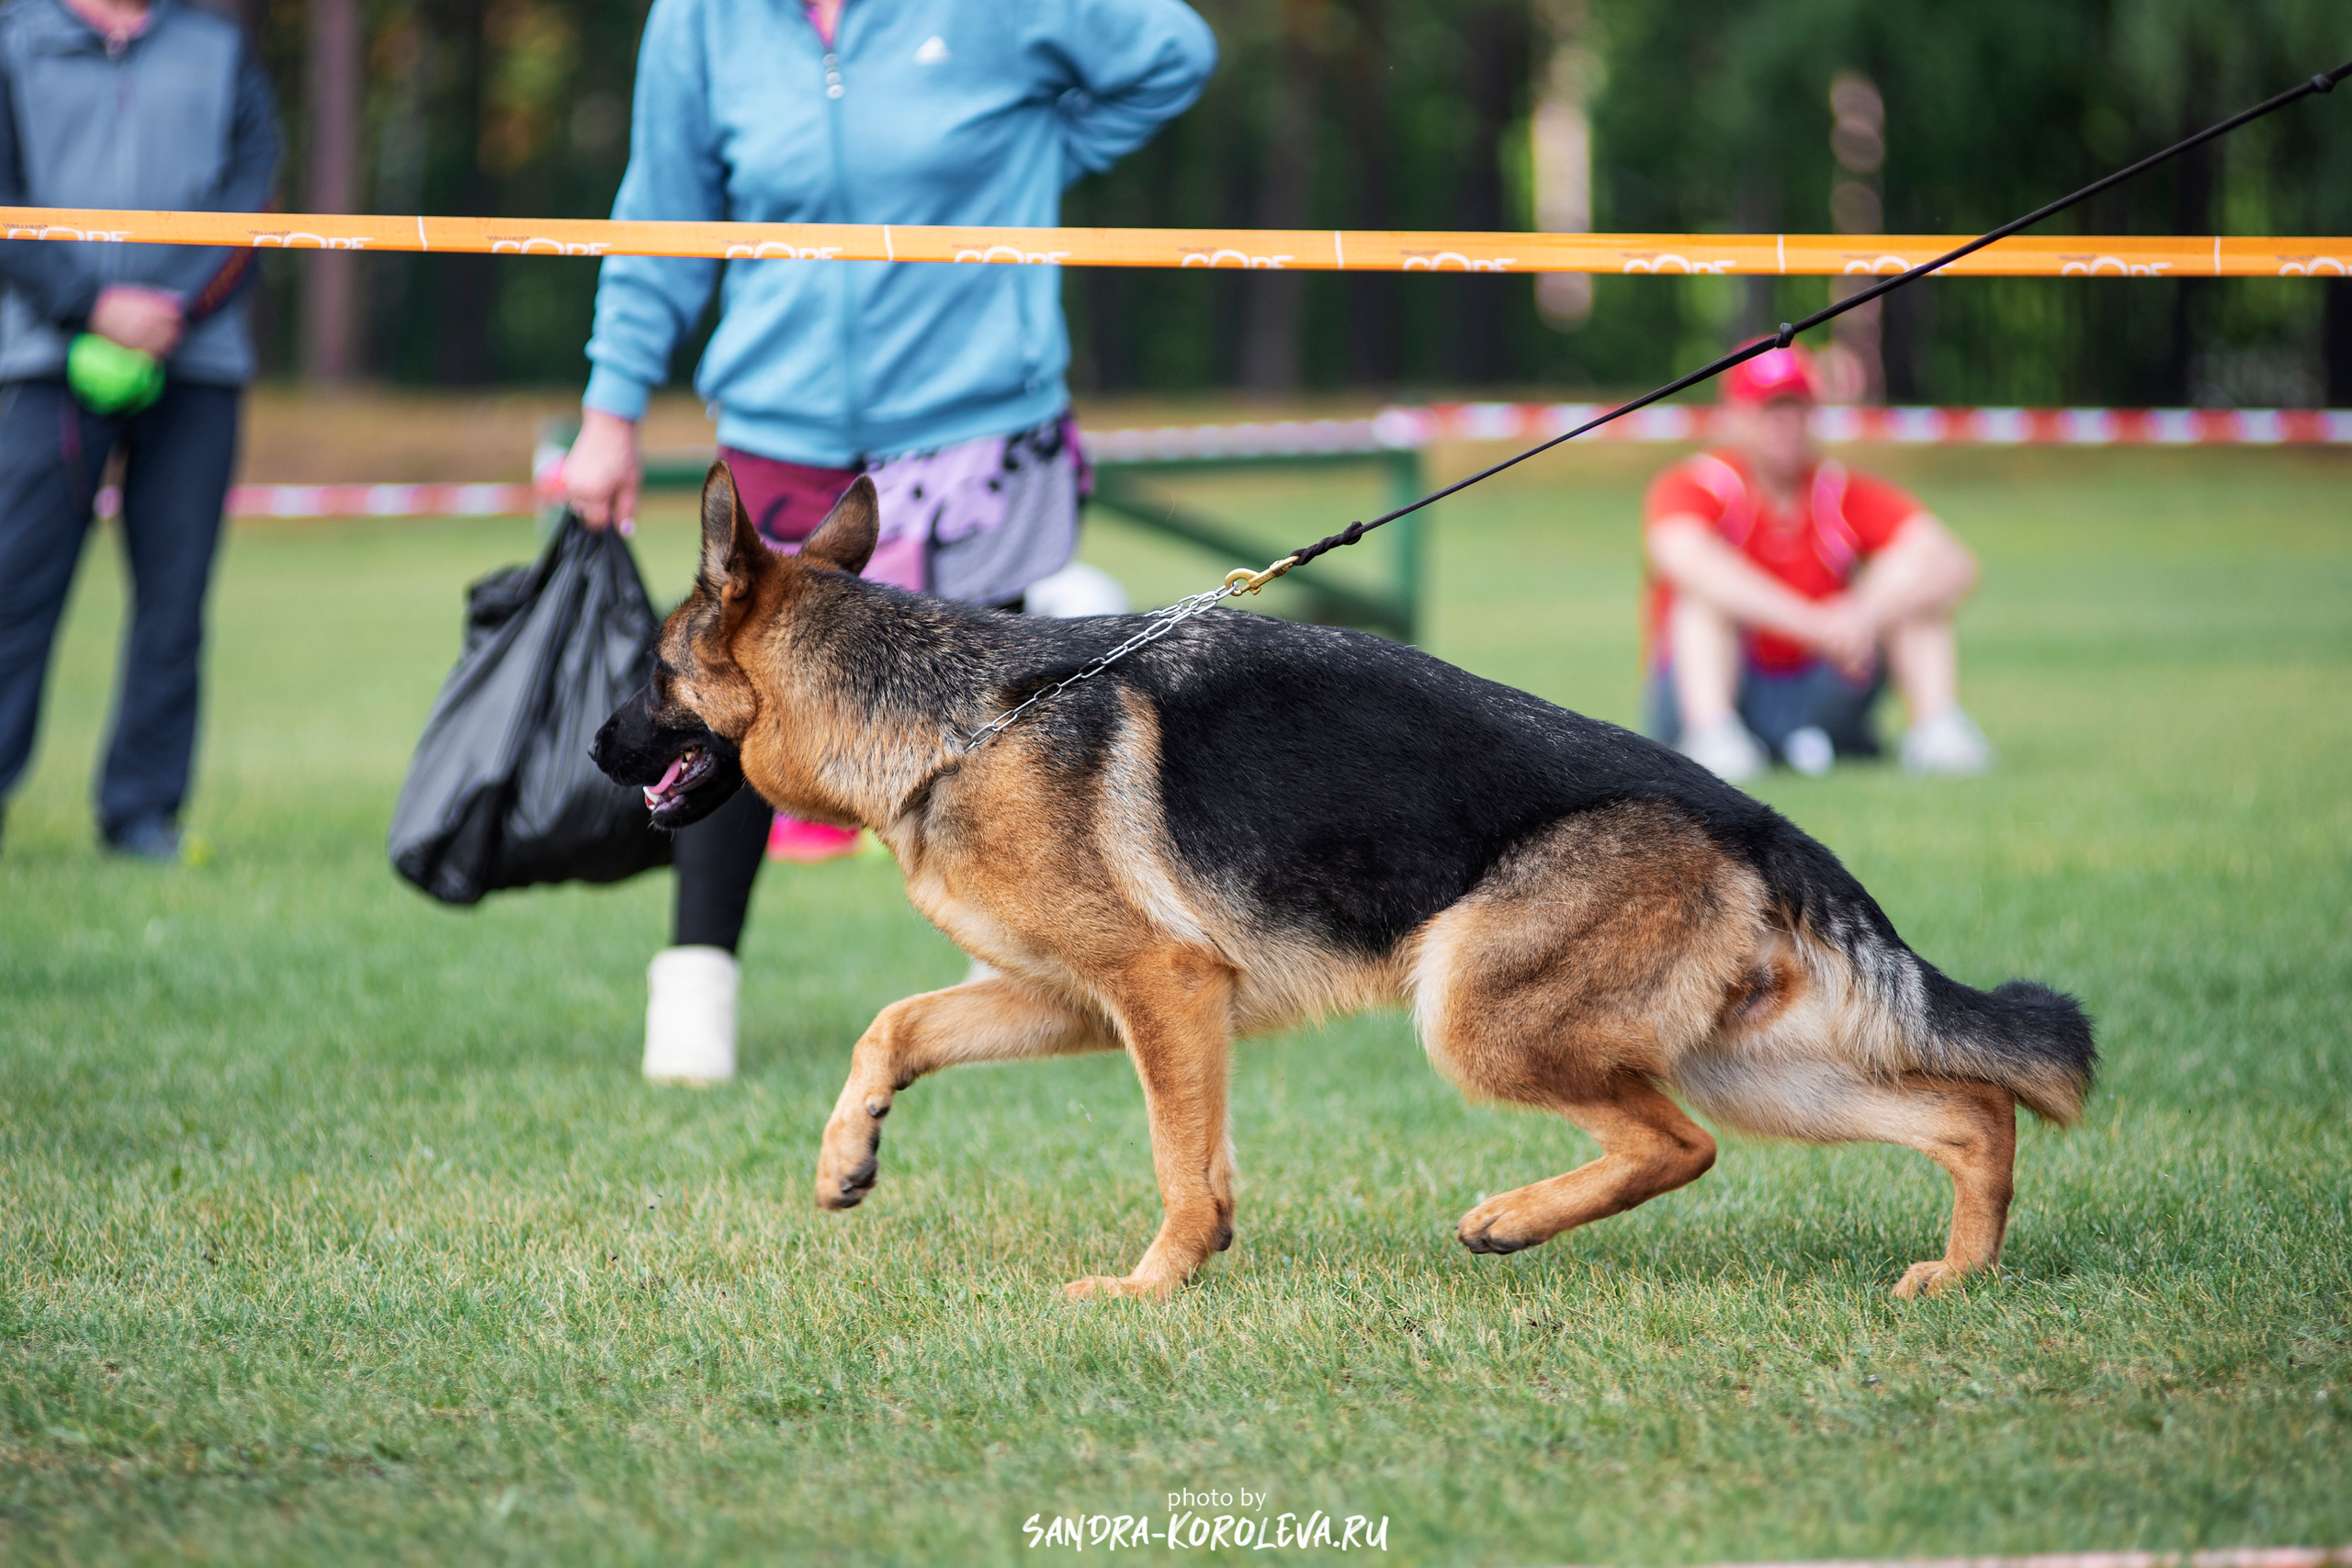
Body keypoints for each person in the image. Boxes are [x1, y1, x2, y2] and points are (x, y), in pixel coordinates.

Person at [561, 0, 1216, 1083]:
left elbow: (1170, 54)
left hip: (972, 425)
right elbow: (659, 213)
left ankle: (1004, 982)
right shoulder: (701, 19)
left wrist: (1041, 148)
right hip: (781, 422)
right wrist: (610, 404)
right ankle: (694, 991)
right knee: (729, 704)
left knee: (990, 737)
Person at [0, 0, 277, 861]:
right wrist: (90, 305)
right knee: (12, 594)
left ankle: (141, 814)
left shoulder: (220, 49)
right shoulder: (15, 37)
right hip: (45, 359)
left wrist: (173, 308)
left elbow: (253, 192)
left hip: (196, 363)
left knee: (174, 603)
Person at [1640, 343, 1996, 784]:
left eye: (1796, 409)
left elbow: (1952, 562)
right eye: (1769, 410)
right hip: (1722, 684)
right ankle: (1713, 735)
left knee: (1909, 582)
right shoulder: (1697, 484)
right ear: (1735, 415)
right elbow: (1681, 556)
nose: (1785, 425)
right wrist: (1813, 624)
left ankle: (1938, 728)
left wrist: (1860, 613)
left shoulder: (1838, 491)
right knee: (1702, 599)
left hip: (1820, 680)